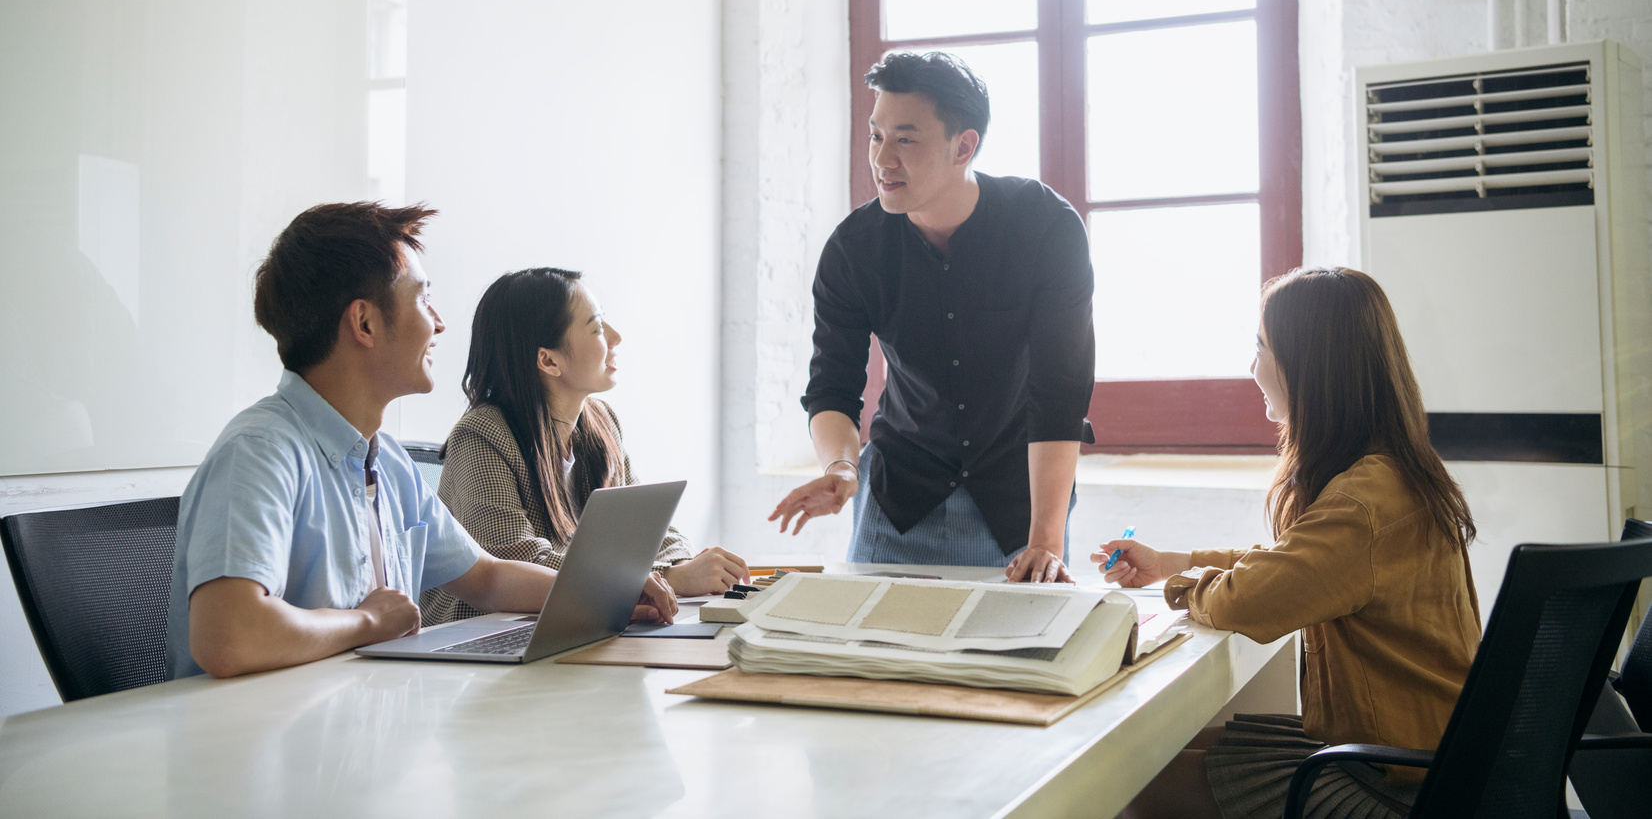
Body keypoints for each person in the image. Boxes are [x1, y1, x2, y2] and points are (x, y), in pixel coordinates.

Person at [166, 203, 677, 680]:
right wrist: (368, 624)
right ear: (364, 322)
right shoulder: (261, 451)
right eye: (423, 298)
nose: (439, 322)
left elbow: (488, 577)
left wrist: (607, 591)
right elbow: (227, 636)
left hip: (354, 725)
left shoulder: (384, 460)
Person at [1099, 267, 1481, 819]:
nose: (1251, 367)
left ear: (1312, 367)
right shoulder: (1388, 475)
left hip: (1400, 785)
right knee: (1152, 756)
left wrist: (1182, 585)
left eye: (1260, 346)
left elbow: (1247, 598)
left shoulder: (1362, 505)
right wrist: (1170, 562)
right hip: (1423, 756)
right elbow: (1292, 564)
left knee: (1128, 782)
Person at [770, 51, 1095, 582]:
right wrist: (841, 468)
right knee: (875, 659)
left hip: (1020, 503)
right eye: (876, 137)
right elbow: (831, 388)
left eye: (905, 139)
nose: (883, 160)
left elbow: (1059, 393)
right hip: (898, 498)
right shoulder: (854, 248)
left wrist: (1046, 541)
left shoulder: (1044, 227)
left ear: (963, 146)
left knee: (1019, 656)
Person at [423, 268, 747, 625]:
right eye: (596, 328)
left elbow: (649, 529)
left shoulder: (601, 422)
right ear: (549, 360)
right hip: (481, 642)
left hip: (576, 625)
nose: (616, 337)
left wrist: (676, 568)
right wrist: (662, 579)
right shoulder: (482, 434)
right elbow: (515, 559)